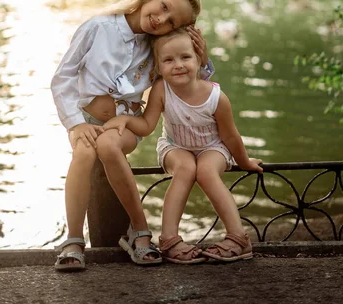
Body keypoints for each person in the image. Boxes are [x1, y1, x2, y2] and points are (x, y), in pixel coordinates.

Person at [51, 0, 214, 271]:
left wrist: (203, 58)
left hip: (125, 124)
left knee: (108, 145)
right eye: (163, 7)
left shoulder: (157, 47)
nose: (161, 19)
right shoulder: (98, 27)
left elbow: (186, 77)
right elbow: (63, 77)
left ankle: (140, 232)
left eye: (171, 21)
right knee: (84, 154)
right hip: (85, 121)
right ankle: (73, 241)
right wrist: (75, 125)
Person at [104, 27, 263, 264]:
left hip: (213, 146)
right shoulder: (160, 90)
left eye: (185, 57)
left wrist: (245, 162)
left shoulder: (216, 97)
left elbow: (230, 137)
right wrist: (126, 119)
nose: (178, 64)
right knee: (186, 168)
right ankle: (169, 239)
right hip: (174, 146)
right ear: (158, 67)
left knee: (206, 171)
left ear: (199, 59)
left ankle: (238, 238)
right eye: (168, 60)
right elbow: (147, 126)